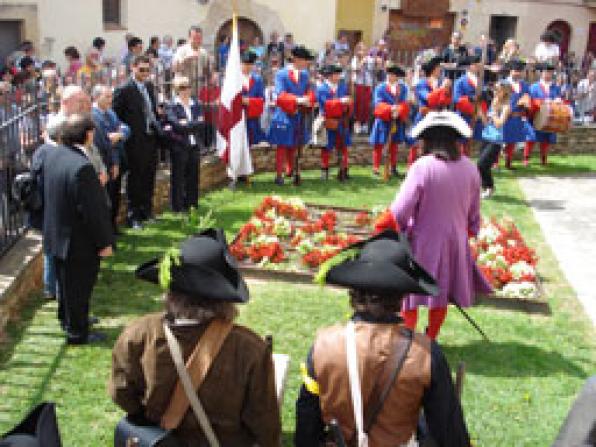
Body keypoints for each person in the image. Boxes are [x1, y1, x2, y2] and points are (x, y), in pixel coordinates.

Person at [295, 230, 471, 446]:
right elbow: (449, 433)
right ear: (401, 297)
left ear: (354, 292)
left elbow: (306, 428)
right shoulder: (426, 354)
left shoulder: (324, 345)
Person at [109, 229, 281, 445]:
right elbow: (265, 422)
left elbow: (121, 392)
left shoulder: (138, 334)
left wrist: (152, 421)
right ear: (223, 298)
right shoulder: (250, 349)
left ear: (171, 292)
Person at [389, 111, 492, 340]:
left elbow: (400, 210)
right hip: (455, 241)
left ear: (427, 140)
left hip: (422, 241)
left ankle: (407, 336)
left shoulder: (422, 167)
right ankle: (432, 336)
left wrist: (397, 228)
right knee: (442, 292)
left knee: (410, 293)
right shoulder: (470, 168)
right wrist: (467, 231)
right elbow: (474, 213)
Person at [42, 114, 113, 344]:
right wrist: (104, 243)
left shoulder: (53, 156)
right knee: (80, 286)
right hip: (77, 240)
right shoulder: (82, 167)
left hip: (58, 233)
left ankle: (69, 318)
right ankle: (77, 331)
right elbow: (93, 211)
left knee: (66, 284)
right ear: (88, 135)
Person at [113, 55, 160, 229]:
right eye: (141, 70)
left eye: (148, 70)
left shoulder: (148, 86)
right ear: (132, 68)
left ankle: (147, 210)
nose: (145, 73)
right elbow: (116, 117)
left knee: (149, 175)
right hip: (134, 142)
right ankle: (134, 216)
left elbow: (151, 109)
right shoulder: (124, 90)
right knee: (136, 179)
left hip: (150, 137)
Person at [268, 45, 315, 186]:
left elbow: (310, 91)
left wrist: (309, 100)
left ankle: (291, 170)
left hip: (299, 114)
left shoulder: (305, 75)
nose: (307, 63)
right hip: (284, 114)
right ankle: (279, 175)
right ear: (296, 60)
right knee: (282, 145)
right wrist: (297, 99)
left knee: (294, 144)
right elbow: (280, 95)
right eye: (305, 60)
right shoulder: (282, 74)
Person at [91, 84, 131, 234]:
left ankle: (113, 226)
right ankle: (106, 231)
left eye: (111, 96)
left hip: (116, 161)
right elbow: (107, 142)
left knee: (115, 195)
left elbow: (126, 128)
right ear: (96, 97)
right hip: (105, 162)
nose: (110, 99)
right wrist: (114, 161)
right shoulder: (94, 116)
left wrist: (120, 135)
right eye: (106, 96)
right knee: (106, 198)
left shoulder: (111, 113)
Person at [164, 76, 204, 212]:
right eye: (182, 87)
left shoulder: (196, 104)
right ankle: (178, 206)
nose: (185, 90)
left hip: (194, 145)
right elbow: (176, 125)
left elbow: (201, 124)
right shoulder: (172, 105)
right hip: (179, 146)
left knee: (193, 176)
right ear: (177, 89)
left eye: (187, 87)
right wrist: (192, 124)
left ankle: (192, 203)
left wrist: (187, 124)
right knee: (178, 177)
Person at [369, 63, 409, 178]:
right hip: (383, 119)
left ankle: (393, 167)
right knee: (378, 144)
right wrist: (390, 109)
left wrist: (399, 110)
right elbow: (377, 103)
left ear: (397, 77)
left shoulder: (403, 88)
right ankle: (376, 168)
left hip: (396, 120)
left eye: (393, 75)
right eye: (389, 74)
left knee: (394, 145)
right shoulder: (380, 87)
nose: (390, 76)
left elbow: (404, 103)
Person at [412, 56, 452, 164]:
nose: (441, 71)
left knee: (435, 146)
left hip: (437, 118)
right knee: (419, 145)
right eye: (439, 68)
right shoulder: (422, 83)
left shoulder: (440, 84)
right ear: (433, 69)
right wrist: (442, 89)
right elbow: (429, 99)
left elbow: (445, 102)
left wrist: (446, 91)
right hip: (424, 117)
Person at [477, 80, 513, 198]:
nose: (495, 91)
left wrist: (494, 112)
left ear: (504, 91)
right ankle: (486, 188)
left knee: (482, 164)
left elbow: (499, 124)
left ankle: (490, 187)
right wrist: (480, 111)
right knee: (482, 165)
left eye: (498, 89)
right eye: (495, 89)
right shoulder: (493, 102)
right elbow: (487, 123)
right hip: (486, 136)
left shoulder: (506, 107)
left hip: (496, 140)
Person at [317, 64, 352, 181]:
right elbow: (325, 105)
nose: (338, 77)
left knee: (343, 146)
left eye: (338, 74)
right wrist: (340, 101)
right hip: (329, 121)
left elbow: (348, 102)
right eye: (335, 74)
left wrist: (347, 104)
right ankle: (324, 169)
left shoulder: (342, 87)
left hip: (342, 120)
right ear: (329, 76)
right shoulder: (322, 88)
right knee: (327, 147)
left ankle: (344, 169)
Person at [525, 63, 563, 166]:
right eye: (546, 72)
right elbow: (530, 101)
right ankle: (526, 158)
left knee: (546, 138)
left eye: (550, 73)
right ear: (541, 73)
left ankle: (543, 158)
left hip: (549, 117)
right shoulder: (534, 87)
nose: (548, 75)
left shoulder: (555, 87)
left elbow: (559, 98)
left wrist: (558, 100)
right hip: (536, 116)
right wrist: (542, 102)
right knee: (531, 138)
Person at [502, 59, 534, 169]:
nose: (518, 73)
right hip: (505, 116)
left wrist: (526, 102)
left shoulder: (524, 85)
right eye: (516, 71)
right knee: (499, 140)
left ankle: (508, 163)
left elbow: (528, 97)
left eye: (520, 71)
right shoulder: (503, 83)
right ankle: (494, 163)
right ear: (510, 71)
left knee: (513, 141)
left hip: (517, 116)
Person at [453, 55, 486, 155]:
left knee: (473, 141)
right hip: (465, 114)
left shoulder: (480, 81)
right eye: (477, 64)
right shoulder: (460, 81)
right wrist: (470, 99)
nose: (479, 66)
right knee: (462, 141)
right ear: (471, 66)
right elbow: (456, 98)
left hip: (478, 114)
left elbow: (483, 97)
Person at [173, 26, 210, 93]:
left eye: (200, 38)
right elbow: (175, 69)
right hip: (183, 90)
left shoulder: (203, 52)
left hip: (198, 89)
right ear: (189, 38)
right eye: (195, 38)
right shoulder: (181, 50)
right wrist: (186, 60)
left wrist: (210, 78)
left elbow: (206, 70)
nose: (198, 40)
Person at [240, 51, 266, 146]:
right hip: (239, 119)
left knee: (254, 146)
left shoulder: (258, 79)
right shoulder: (235, 79)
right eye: (245, 64)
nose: (247, 66)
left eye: (250, 64)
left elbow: (262, 99)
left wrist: (249, 101)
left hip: (253, 120)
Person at [351, 42, 374, 135]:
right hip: (359, 84)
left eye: (364, 49)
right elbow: (355, 70)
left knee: (366, 105)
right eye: (361, 49)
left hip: (368, 84)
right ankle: (357, 123)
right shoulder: (355, 59)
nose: (363, 51)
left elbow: (373, 70)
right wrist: (361, 62)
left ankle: (365, 123)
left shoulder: (370, 59)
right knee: (359, 104)